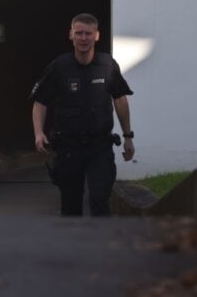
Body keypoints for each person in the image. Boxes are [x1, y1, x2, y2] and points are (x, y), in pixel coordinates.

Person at [30, 13, 135, 217]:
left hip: (100, 147)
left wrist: (128, 136)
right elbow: (40, 102)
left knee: (100, 200)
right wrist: (38, 133)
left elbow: (120, 99)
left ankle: (100, 246)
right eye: (79, 33)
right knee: (70, 207)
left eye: (88, 33)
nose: (83, 38)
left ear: (97, 36)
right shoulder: (60, 67)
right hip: (69, 148)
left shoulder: (107, 66)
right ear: (71, 35)